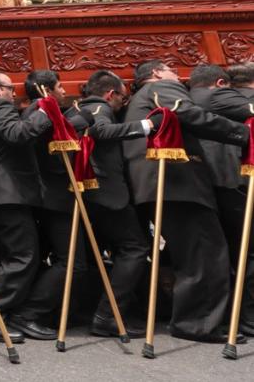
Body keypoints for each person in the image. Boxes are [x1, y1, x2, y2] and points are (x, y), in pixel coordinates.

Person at [124, 60, 249, 342]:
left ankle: (195, 319)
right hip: (176, 181)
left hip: (160, 184)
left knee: (195, 254)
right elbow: (189, 114)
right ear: (156, 74)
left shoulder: (136, 100)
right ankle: (198, 323)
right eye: (170, 70)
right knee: (205, 254)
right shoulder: (163, 88)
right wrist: (245, 134)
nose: (178, 76)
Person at [0, 71, 55, 343]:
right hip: (5, 191)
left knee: (13, 256)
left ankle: (3, 312)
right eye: (9, 88)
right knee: (22, 256)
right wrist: (46, 110)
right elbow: (17, 134)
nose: (13, 93)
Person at [74, 70, 153, 337]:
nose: (123, 102)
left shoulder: (78, 109)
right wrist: (146, 126)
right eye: (122, 97)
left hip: (93, 193)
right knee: (134, 248)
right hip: (106, 193)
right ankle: (107, 315)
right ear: (111, 94)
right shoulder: (98, 108)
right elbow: (102, 131)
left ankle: (99, 310)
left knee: (103, 253)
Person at [17, 70, 90, 339]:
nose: (63, 91)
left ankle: (56, 310)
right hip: (55, 195)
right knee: (72, 261)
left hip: (51, 194)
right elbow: (53, 151)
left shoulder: (43, 111)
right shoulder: (42, 112)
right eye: (59, 87)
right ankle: (31, 313)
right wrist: (81, 120)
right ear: (46, 89)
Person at [190, 65, 254, 336]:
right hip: (227, 182)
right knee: (245, 251)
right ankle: (246, 316)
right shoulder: (217, 95)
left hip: (219, 182)